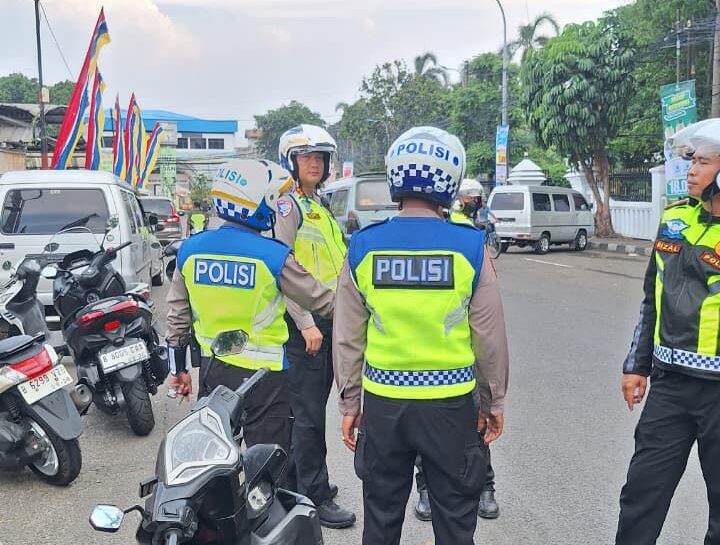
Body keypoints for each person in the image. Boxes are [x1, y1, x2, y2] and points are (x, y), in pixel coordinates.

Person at [334, 126, 510, 545]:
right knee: (455, 522)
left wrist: (350, 402)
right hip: (451, 406)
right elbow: (488, 337)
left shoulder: (363, 247)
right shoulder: (470, 247)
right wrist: (492, 402)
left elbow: (347, 337)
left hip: (384, 404)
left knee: (381, 519)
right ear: (450, 182)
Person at [165, 158, 335, 453]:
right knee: (266, 463)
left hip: (213, 371)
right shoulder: (273, 256)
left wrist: (178, 369)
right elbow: (324, 302)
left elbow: (177, 317)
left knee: (214, 455)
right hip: (266, 380)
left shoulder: (190, 250)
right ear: (258, 203)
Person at [617, 118, 720, 545]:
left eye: (703, 162)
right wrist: (636, 365)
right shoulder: (675, 219)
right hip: (670, 385)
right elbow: (651, 296)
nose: (691, 170)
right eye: (691, 161)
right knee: (641, 493)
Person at [273, 124, 355, 529]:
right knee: (307, 416)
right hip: (305, 324)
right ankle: (314, 497)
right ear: (290, 160)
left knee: (307, 410)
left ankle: (294, 484)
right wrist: (305, 322)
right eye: (306, 156)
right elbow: (283, 267)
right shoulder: (288, 206)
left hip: (327, 318)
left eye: (320, 157)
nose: (315, 163)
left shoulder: (316, 205)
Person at [413, 178, 501, 523]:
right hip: (418, 352)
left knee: (475, 427)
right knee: (421, 432)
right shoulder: (414, 232)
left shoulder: (466, 232)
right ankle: (426, 488)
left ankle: (485, 486)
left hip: (462, 350)